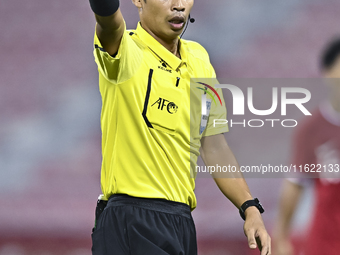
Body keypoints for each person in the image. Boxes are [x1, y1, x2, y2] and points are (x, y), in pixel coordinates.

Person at [89, 1, 271, 254]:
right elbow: (109, 22)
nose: (178, 5)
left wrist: (250, 207)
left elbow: (214, 145)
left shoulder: (199, 60)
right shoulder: (125, 50)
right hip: (131, 220)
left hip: (181, 221)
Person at [273, 37, 340, 255]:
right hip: (327, 244)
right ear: (328, 73)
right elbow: (295, 184)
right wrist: (282, 236)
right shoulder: (312, 128)